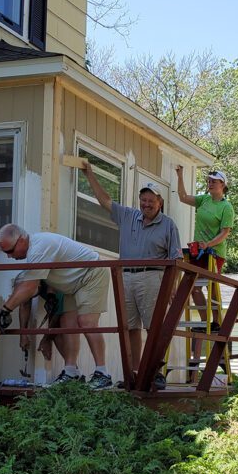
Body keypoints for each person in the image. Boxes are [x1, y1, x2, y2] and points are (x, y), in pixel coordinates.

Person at [79, 164, 180, 390]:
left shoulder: (168, 225)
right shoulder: (128, 216)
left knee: (154, 327)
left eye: (151, 200)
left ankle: (156, 372)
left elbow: (176, 259)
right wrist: (89, 174)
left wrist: (172, 286)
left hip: (153, 277)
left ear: (160, 202)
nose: (146, 204)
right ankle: (135, 373)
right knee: (130, 327)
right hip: (126, 277)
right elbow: (105, 201)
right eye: (143, 200)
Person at [0, 224, 113, 389]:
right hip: (73, 283)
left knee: (87, 322)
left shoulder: (39, 248)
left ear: (21, 240)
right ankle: (71, 371)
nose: (9, 257)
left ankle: (103, 374)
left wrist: (5, 310)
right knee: (67, 325)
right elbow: (28, 290)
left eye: (10, 251)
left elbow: (29, 287)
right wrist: (8, 310)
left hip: (90, 273)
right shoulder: (34, 250)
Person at [175, 166, 234, 374]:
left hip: (214, 253)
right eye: (209, 180)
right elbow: (182, 197)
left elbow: (225, 233)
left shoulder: (226, 207)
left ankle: (216, 323)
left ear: (223, 185)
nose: (210, 183)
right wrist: (180, 175)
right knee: (194, 288)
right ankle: (204, 320)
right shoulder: (203, 200)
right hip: (196, 250)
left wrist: (208, 244)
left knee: (210, 287)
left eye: (214, 181)